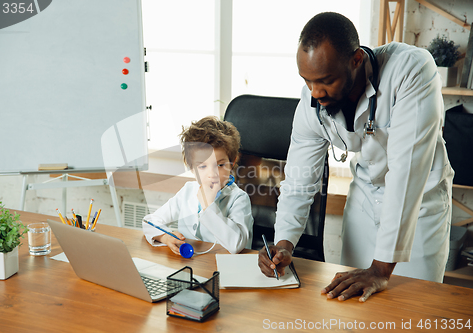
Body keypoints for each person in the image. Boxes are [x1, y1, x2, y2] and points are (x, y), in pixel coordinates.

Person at [258, 12, 454, 302]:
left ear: (357, 60)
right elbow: (299, 179)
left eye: (325, 80)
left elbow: (406, 173)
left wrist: (380, 270)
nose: (316, 92)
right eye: (307, 81)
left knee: (414, 307)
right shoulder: (311, 99)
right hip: (364, 197)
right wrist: (284, 244)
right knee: (349, 303)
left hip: (420, 202)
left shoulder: (411, 69)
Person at [142, 116, 254, 255]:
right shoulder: (188, 191)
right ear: (191, 168)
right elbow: (149, 222)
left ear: (232, 163)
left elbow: (236, 245)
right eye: (202, 166)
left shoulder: (238, 198)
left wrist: (208, 206)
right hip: (191, 267)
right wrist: (165, 237)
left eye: (220, 165)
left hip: (225, 269)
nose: (212, 174)